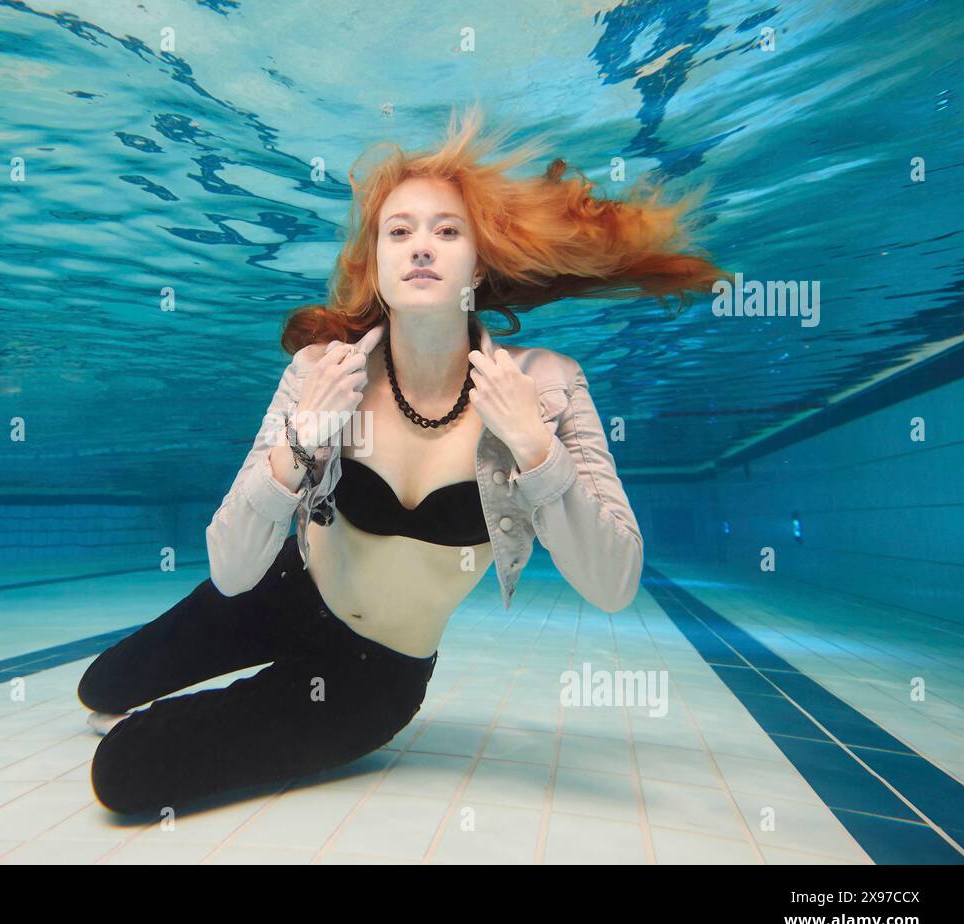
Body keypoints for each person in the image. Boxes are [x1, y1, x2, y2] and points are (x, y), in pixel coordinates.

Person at [78, 104, 728, 816]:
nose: (422, 246)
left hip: (372, 677)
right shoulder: (322, 372)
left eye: (447, 231)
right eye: (400, 231)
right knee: (103, 686)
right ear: (376, 262)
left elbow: (614, 583)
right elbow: (232, 569)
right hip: (279, 591)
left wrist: (539, 453)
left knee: (122, 771)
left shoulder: (544, 384)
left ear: (479, 262)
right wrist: (299, 442)